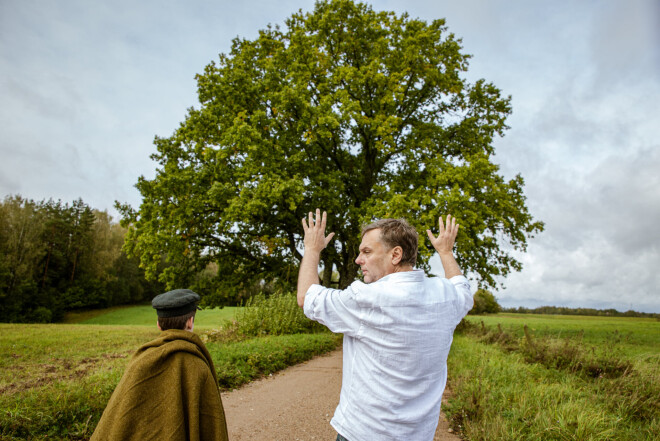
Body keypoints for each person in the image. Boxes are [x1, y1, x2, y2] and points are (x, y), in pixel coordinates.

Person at [298, 209, 473, 441]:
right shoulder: (446, 295)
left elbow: (307, 297)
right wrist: (446, 252)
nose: (358, 260)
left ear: (395, 254)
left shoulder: (366, 298)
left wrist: (311, 249)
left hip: (363, 434)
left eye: (366, 252)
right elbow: (462, 288)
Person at [90, 289, 229, 441]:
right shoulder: (198, 366)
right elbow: (211, 423)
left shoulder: (140, 361)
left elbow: (119, 420)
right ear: (190, 322)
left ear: (158, 324)